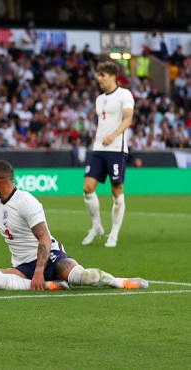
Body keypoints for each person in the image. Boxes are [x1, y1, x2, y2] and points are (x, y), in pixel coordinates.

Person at [0, 160, 148, 291]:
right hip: (22, 267)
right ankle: (50, 285)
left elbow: (44, 238)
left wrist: (39, 271)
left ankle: (121, 282)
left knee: (84, 276)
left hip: (51, 257)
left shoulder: (26, 201)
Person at [81, 60, 135, 248]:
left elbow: (128, 119)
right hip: (98, 148)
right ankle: (96, 227)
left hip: (116, 149)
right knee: (88, 187)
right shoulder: (99, 99)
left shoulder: (124, 94)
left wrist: (112, 135)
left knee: (116, 191)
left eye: (102, 75)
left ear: (113, 77)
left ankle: (114, 233)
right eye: (98, 75)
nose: (99, 79)